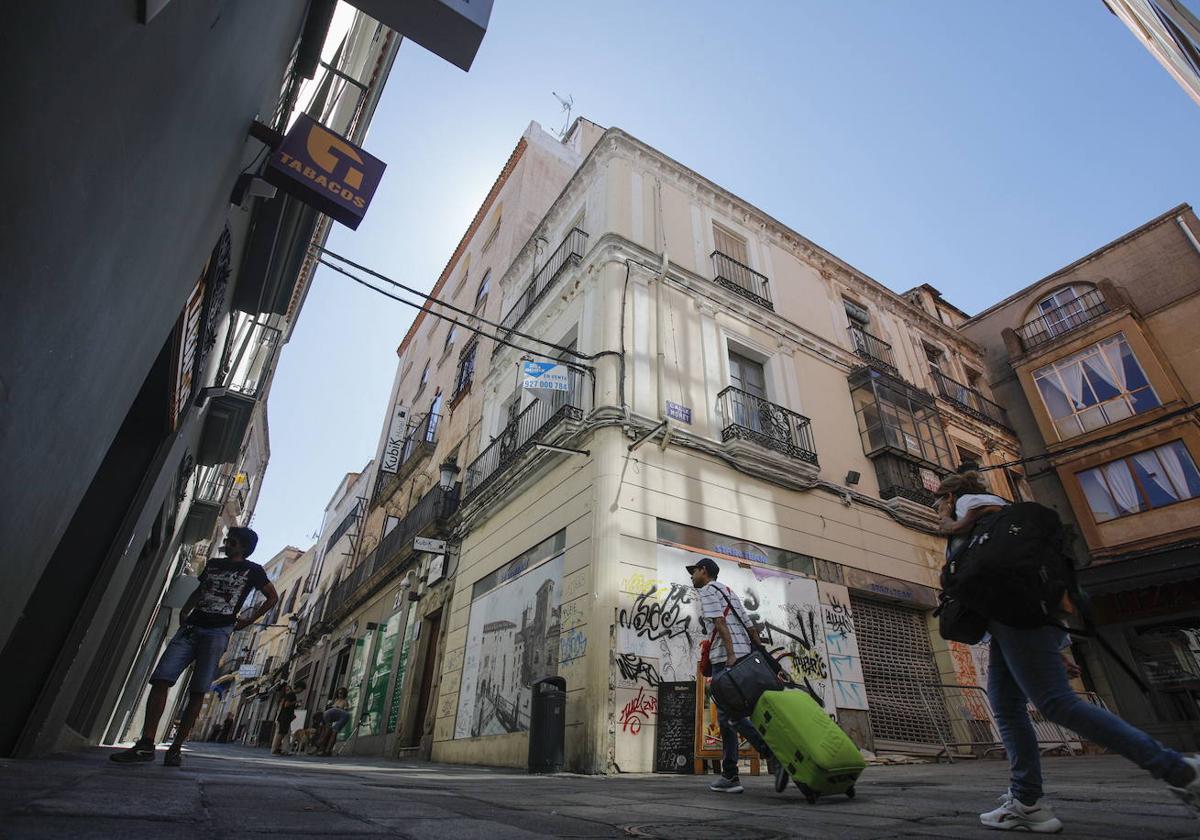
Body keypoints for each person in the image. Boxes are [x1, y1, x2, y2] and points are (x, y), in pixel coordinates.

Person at [936, 472, 1200, 832]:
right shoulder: (1000, 528)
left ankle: (1180, 771)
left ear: (950, 495)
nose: (936, 511)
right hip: (1014, 620)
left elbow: (985, 509)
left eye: (937, 503)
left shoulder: (969, 504)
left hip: (1018, 615)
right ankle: (1027, 800)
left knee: (1056, 703)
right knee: (1006, 704)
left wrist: (954, 524)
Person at [110, 527, 277, 767]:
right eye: (228, 540)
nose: (227, 544)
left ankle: (176, 748)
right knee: (161, 678)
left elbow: (272, 596)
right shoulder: (212, 565)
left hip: (218, 632)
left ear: (243, 547)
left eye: (233, 542)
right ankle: (146, 744)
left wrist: (249, 620)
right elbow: (200, 591)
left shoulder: (253, 571)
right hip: (191, 628)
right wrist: (186, 611)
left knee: (198, 690)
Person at [687, 557, 779, 794]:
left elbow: (719, 622)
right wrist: (759, 653)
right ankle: (734, 773)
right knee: (735, 715)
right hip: (745, 657)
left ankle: (765, 756)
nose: (691, 576)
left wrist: (730, 655)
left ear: (704, 571)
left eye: (693, 571)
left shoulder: (707, 590)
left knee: (730, 717)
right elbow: (749, 625)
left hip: (726, 661)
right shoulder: (728, 591)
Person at [271, 680, 306, 755]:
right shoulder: (291, 695)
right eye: (302, 689)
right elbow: (286, 705)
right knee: (281, 733)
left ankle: (280, 749)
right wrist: (296, 702)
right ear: (299, 688)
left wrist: (295, 706)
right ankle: (276, 749)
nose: (301, 691)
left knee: (284, 733)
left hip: (285, 716)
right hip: (285, 717)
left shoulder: (290, 694)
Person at [318, 687, 352, 756]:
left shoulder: (344, 701)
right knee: (327, 732)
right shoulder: (335, 701)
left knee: (333, 732)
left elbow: (346, 710)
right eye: (339, 693)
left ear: (344, 694)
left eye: (341, 693)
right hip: (334, 718)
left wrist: (339, 708)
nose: (340, 695)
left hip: (341, 717)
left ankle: (327, 750)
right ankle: (324, 748)